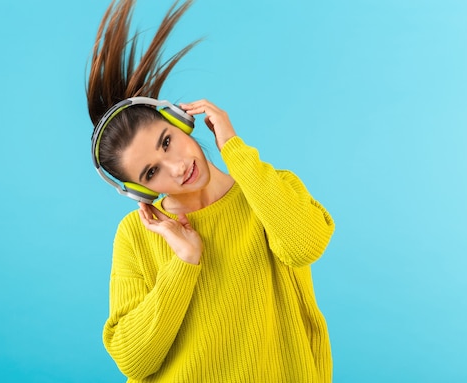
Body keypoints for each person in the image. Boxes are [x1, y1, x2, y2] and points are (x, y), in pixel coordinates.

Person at [86, 0, 336, 381]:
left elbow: (306, 245)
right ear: (139, 190)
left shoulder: (265, 191)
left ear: (182, 121)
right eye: (152, 171)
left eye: (167, 142)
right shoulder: (137, 236)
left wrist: (234, 150)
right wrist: (184, 262)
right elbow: (133, 361)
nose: (177, 166)